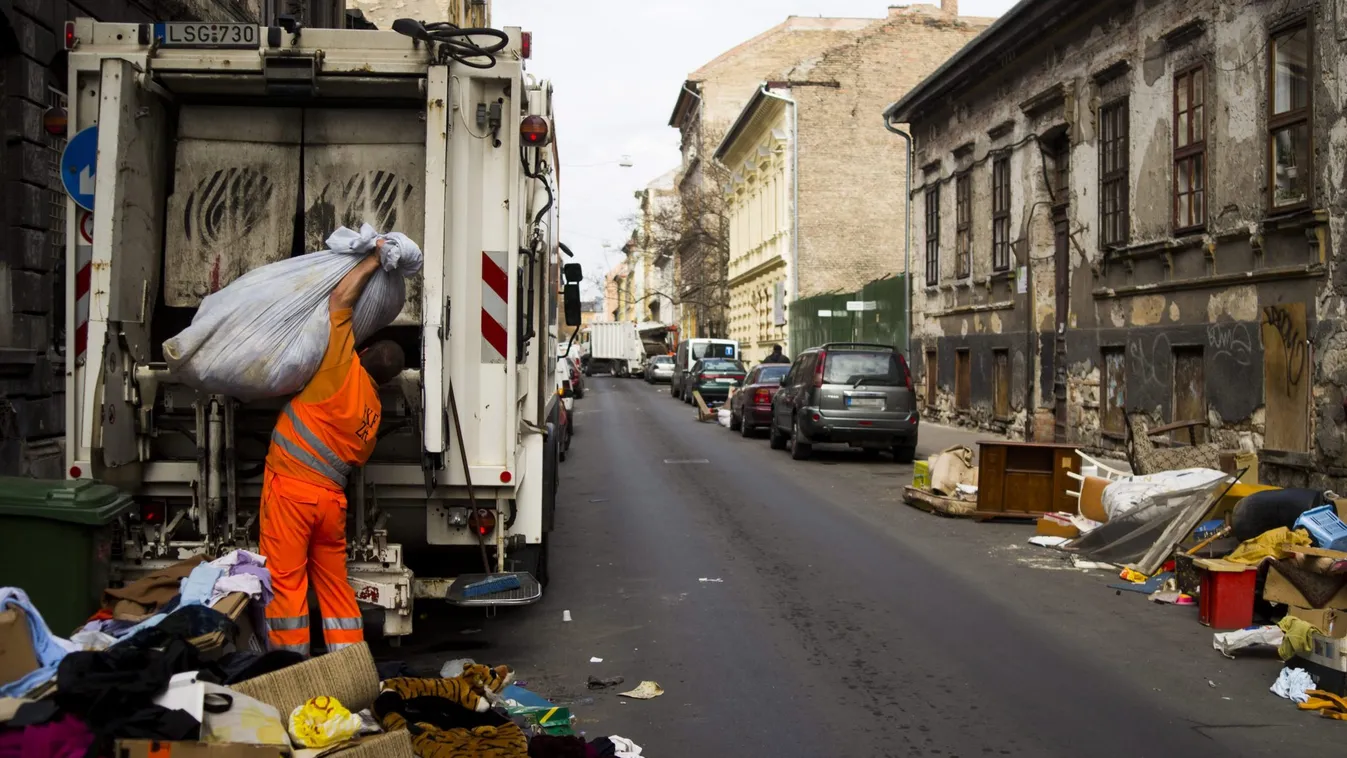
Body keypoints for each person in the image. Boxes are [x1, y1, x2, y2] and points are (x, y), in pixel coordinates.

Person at [260, 245, 406, 656]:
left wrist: (374, 259)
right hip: (330, 505)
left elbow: (339, 300)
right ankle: (349, 662)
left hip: (291, 493)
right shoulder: (373, 412)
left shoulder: (340, 367)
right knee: (334, 587)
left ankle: (291, 669)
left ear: (362, 352)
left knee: (287, 584)